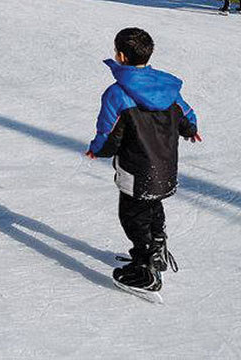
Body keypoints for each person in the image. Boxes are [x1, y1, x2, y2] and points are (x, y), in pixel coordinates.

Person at [85, 28, 200, 296]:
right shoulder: (166, 86)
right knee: (153, 203)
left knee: (132, 215)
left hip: (135, 170)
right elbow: (186, 115)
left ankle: (146, 268)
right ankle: (157, 249)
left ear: (121, 56)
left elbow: (109, 134)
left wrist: (97, 149)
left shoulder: (117, 93)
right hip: (165, 167)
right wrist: (191, 130)